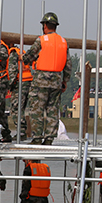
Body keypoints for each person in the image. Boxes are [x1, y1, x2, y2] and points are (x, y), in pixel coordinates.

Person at [21, 12, 72, 145]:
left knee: (37, 109)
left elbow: (29, 57)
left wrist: (22, 57)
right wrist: (65, 81)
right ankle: (49, 138)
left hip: (41, 81)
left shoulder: (41, 40)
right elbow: (68, 65)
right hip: (56, 81)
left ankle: (37, 137)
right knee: (52, 110)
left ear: (44, 26)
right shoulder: (63, 42)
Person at [7, 42, 33, 140]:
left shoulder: (13, 53)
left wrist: (10, 85)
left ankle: (21, 132)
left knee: (16, 108)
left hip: (20, 82)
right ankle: (22, 131)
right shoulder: (20, 51)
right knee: (20, 108)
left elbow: (12, 70)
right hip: (27, 80)